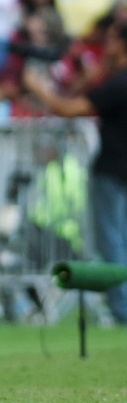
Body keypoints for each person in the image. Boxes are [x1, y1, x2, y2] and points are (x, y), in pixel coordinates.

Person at [23, 20, 127, 322]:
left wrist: (37, 87)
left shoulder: (119, 84)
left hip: (112, 169)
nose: (105, 47)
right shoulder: (115, 81)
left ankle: (122, 308)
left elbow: (68, 108)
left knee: (113, 242)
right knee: (121, 239)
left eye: (110, 41)